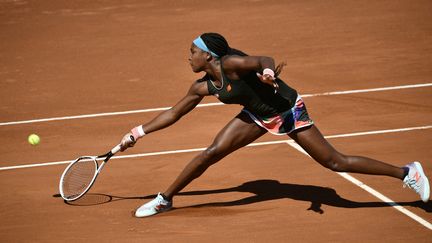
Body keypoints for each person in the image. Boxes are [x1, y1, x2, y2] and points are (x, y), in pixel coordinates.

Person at [119, 33, 430, 217]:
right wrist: (138, 132)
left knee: (335, 162)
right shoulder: (203, 86)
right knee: (211, 152)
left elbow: (264, 58)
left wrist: (267, 73)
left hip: (287, 110)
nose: (188, 57)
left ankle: (407, 172)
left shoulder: (232, 64)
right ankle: (165, 199)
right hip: (257, 116)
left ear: (208, 55)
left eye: (192, 52)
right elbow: (174, 113)